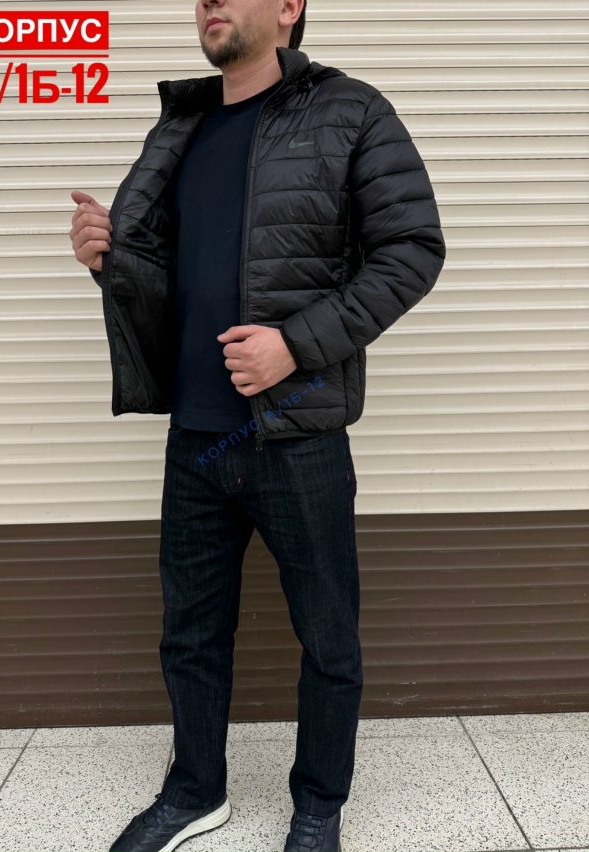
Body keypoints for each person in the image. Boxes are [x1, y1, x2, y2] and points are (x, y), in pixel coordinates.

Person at [69, 1, 446, 849]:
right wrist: (110, 259)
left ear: (287, 8)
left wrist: (294, 346)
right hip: (197, 437)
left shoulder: (351, 110)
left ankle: (318, 807)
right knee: (190, 635)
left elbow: (413, 249)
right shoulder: (182, 125)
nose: (209, 0)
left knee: (328, 638)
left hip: (296, 433)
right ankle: (195, 792)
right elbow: (165, 275)